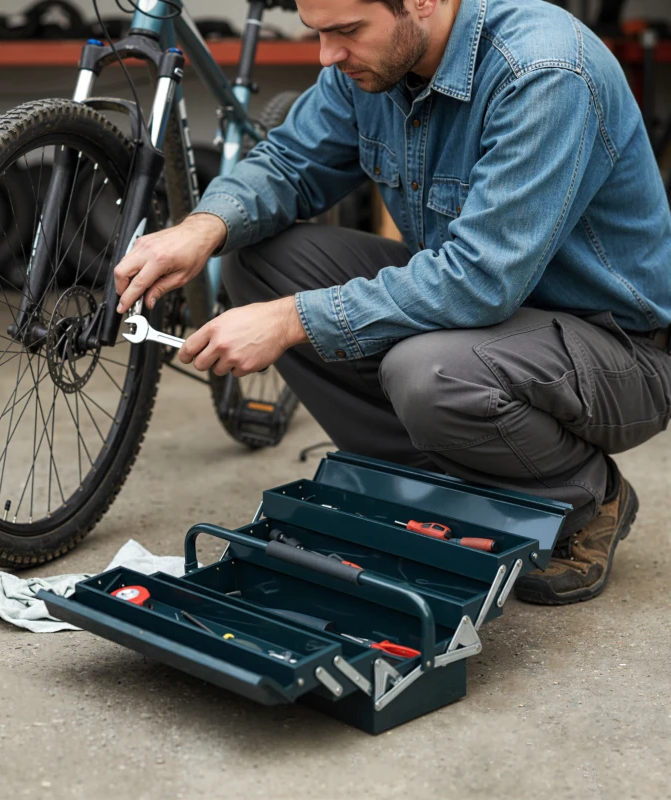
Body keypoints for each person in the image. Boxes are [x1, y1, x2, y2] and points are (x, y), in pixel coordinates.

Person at [114, 0, 671, 605]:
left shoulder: (544, 73)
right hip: (485, 323)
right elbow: (290, 162)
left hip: (617, 352)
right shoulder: (373, 64)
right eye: (317, 32)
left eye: (347, 31)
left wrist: (292, 319)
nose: (327, 55)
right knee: (258, 259)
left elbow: (480, 279)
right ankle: (441, 485)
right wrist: (203, 229)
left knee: (429, 375)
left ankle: (584, 495)